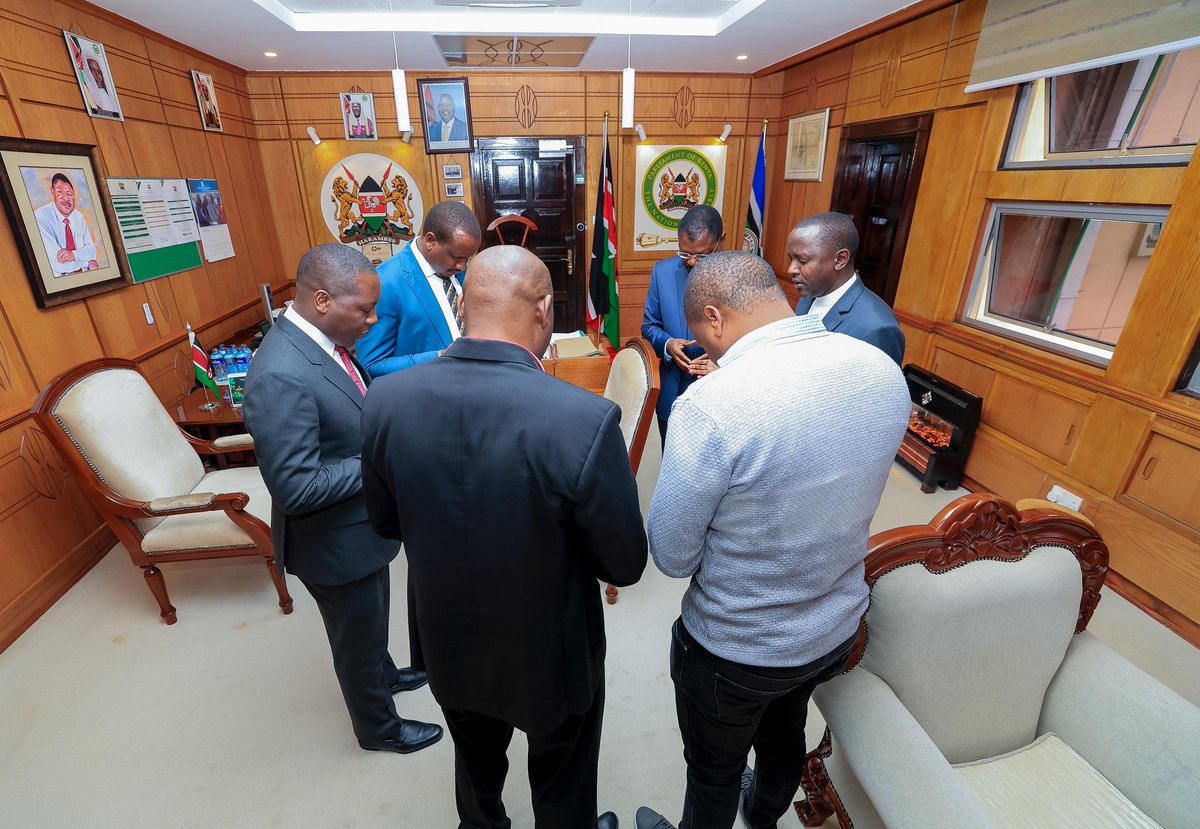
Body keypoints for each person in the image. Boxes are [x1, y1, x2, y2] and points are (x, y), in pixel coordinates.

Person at [361, 245, 647, 829]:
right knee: (563, 776)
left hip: (447, 635)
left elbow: (386, 524)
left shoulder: (386, 401)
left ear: (462, 306)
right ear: (544, 310)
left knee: (474, 760)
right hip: (551, 649)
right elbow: (624, 564)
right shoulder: (583, 419)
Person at [635, 251, 910, 829]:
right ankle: (762, 817)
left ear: (714, 318)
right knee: (786, 735)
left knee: (713, 772)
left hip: (738, 647)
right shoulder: (881, 368)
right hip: (833, 628)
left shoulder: (712, 404)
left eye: (702, 339)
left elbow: (673, 555)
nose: (708, 353)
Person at [243, 244, 441, 756]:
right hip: (332, 545)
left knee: (372, 619)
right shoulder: (280, 373)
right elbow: (297, 487)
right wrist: (380, 457)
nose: (374, 320)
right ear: (323, 300)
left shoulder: (325, 340)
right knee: (354, 641)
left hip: (361, 529)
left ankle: (387, 674)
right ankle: (379, 729)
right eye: (366, 310)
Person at [356, 200, 481, 376]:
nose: (463, 266)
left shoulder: (460, 270)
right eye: (457, 257)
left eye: (468, 258)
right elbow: (371, 366)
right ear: (430, 241)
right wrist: (441, 357)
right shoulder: (386, 282)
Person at [641, 205, 722, 441]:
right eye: (685, 254)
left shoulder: (740, 276)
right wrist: (668, 344)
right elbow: (649, 326)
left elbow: (749, 339)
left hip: (718, 398)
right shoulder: (662, 272)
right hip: (672, 395)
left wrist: (722, 362)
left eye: (702, 255)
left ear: (721, 242)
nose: (693, 262)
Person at [788, 212, 905, 365]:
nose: (791, 269)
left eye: (803, 260)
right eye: (791, 259)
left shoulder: (878, 328)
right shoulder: (809, 295)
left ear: (840, 259)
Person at [34, 173, 99, 277]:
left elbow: (92, 251)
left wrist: (73, 255)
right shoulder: (41, 217)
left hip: (86, 277)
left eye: (69, 194)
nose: (66, 198)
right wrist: (87, 263)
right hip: (60, 282)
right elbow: (57, 264)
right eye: (60, 192)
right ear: (52, 191)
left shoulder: (79, 217)